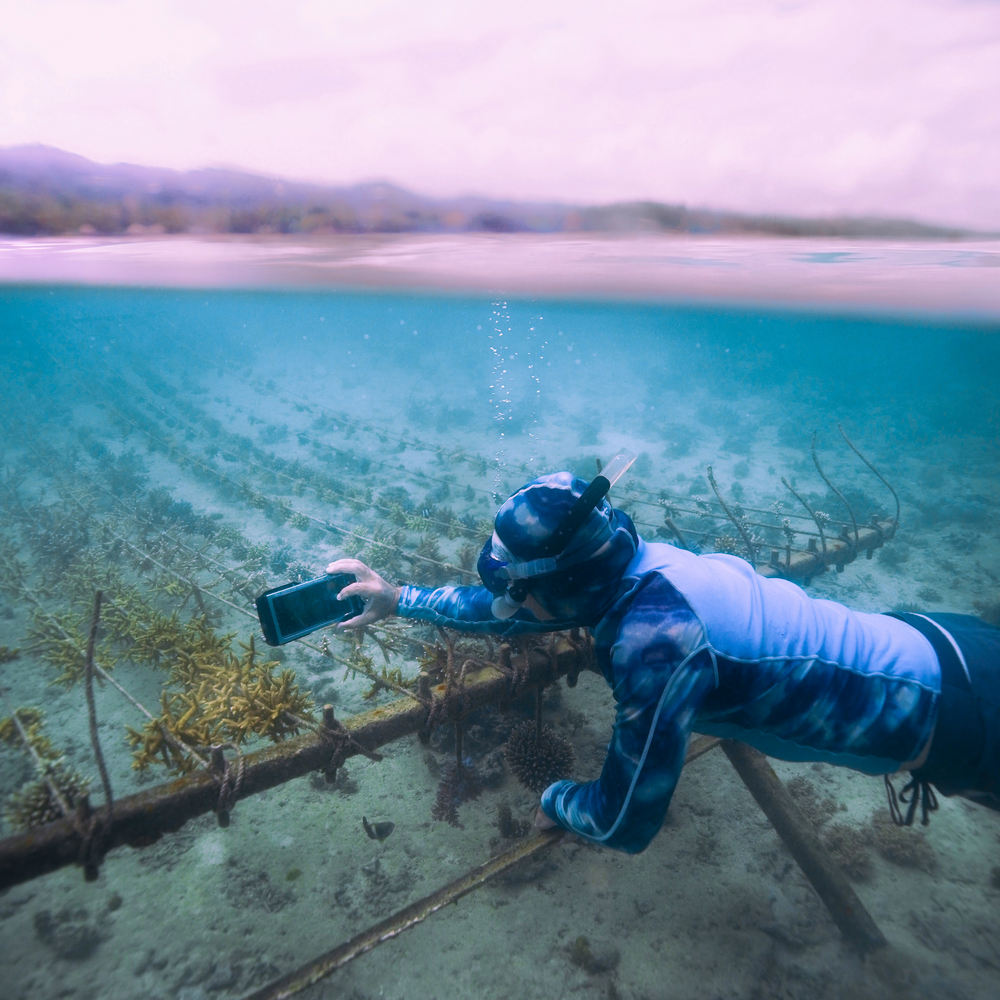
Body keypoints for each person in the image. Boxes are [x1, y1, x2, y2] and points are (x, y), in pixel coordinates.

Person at [325, 468, 1000, 854]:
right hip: (945, 644)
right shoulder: (638, 567)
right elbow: (517, 607)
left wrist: (558, 797)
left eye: (516, 588)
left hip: (967, 724)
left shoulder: (657, 643)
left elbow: (626, 821)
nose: (509, 601)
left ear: (559, 587)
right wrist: (397, 598)